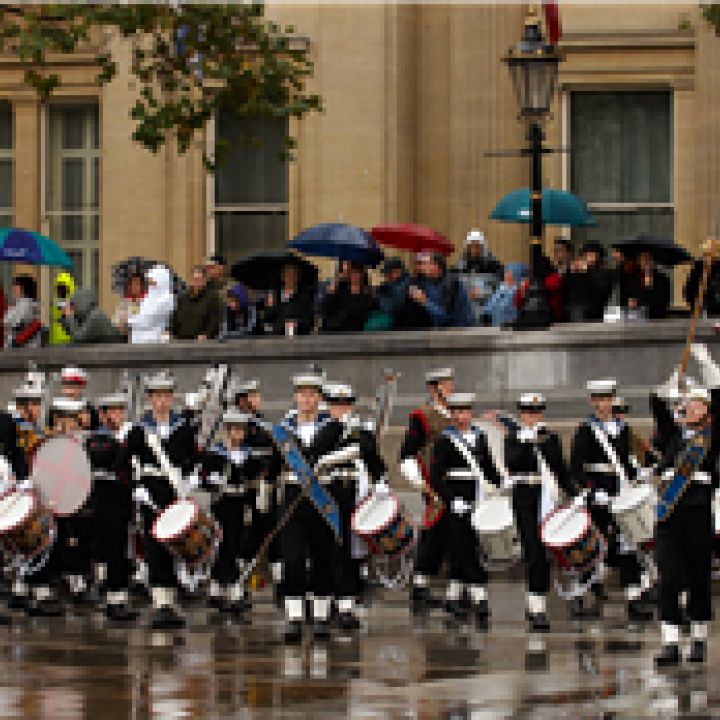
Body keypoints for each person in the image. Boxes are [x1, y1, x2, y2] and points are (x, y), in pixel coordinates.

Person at [652, 343, 720, 667]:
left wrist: (706, 365)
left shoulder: (711, 438)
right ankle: (669, 643)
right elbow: (658, 408)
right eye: (686, 402)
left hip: (696, 512)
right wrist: (668, 386)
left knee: (698, 577)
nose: (688, 406)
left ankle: (698, 638)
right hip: (668, 515)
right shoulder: (673, 435)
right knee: (668, 577)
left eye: (695, 403)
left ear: (705, 411)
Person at [569, 379, 653, 622]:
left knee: (628, 544)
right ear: (592, 401)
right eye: (599, 399)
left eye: (608, 399)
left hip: (620, 493)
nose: (604, 404)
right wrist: (590, 489)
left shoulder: (622, 429)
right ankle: (579, 594)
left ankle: (633, 598)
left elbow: (626, 461)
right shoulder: (586, 429)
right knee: (591, 548)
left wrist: (639, 474)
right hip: (599, 496)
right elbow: (576, 466)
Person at [123, 370, 196, 629]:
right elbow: (126, 463)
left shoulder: (184, 428)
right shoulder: (139, 430)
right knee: (154, 545)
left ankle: (171, 600)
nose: (162, 401)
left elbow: (190, 458)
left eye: (166, 396)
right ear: (150, 399)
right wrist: (137, 487)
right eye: (157, 396)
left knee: (173, 545)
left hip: (174, 491)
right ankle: (160, 602)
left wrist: (190, 478)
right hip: (150, 490)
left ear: (172, 398)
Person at [315, 382, 387, 630]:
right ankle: (329, 599)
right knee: (332, 546)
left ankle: (347, 601)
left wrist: (380, 481)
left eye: (346, 405)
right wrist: (338, 427)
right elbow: (317, 451)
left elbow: (373, 457)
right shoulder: (324, 428)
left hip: (355, 491)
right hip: (329, 492)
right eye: (337, 405)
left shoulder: (361, 430)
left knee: (351, 548)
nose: (342, 409)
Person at [428, 392, 502, 628]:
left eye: (465, 412)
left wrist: (502, 481)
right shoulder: (444, 440)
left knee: (466, 547)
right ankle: (480, 597)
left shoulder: (479, 438)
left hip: (477, 498)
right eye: (457, 412)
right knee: (465, 547)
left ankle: (452, 597)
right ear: (451, 414)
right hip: (456, 500)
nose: (461, 417)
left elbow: (488, 467)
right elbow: (435, 477)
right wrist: (451, 500)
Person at [503, 394, 575, 631]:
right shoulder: (513, 438)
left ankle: (549, 599)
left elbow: (560, 468)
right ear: (521, 414)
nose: (533, 417)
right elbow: (512, 463)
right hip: (525, 498)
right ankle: (536, 607)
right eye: (528, 412)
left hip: (548, 496)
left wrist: (575, 494)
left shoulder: (550, 437)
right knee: (533, 551)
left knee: (548, 552)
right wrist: (527, 442)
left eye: (536, 412)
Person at [275, 371, 335, 643]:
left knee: (323, 556)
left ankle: (321, 616)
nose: (307, 399)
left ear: (319, 398)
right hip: (293, 495)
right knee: (293, 558)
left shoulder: (333, 427)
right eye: (302, 394)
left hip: (322, 497)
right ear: (295, 397)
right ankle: (295, 616)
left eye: (312, 394)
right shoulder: (283, 429)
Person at [200, 410, 268, 621]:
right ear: (227, 431)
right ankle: (230, 588)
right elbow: (204, 479)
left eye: (241, 429)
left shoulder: (249, 454)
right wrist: (213, 479)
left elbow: (255, 478)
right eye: (234, 429)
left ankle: (218, 587)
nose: (238, 433)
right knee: (225, 544)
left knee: (237, 543)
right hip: (223, 502)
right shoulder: (215, 453)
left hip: (241, 503)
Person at [400, 367, 455, 614]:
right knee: (437, 528)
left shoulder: (457, 414)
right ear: (433, 389)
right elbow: (408, 452)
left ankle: (429, 583)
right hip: (433, 480)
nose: (450, 388)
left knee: (446, 531)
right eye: (445, 384)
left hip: (456, 481)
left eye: (451, 383)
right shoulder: (421, 416)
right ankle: (423, 583)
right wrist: (421, 483)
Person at [88, 393, 137, 622]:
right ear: (104, 415)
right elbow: (106, 460)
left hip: (123, 499)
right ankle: (112, 598)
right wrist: (122, 443)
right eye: (113, 411)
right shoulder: (98, 439)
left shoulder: (128, 436)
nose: (117, 416)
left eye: (120, 411)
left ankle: (118, 596)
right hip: (104, 500)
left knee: (122, 549)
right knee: (110, 549)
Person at [394, 252, 474, 330]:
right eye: (421, 264)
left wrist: (425, 301)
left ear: (438, 267)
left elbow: (446, 318)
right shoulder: (419, 282)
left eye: (426, 263)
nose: (422, 267)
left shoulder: (453, 285)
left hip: (457, 330)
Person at [454, 230, 503, 320]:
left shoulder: (493, 266)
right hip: (466, 312)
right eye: (471, 246)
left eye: (477, 246)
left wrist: (484, 293)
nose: (474, 250)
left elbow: (501, 290)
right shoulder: (459, 266)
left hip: (488, 311)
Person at [261, 262, 316, 336]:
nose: (290, 277)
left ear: (297, 277)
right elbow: (267, 319)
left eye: (293, 274)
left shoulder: (305, 296)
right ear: (282, 277)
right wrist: (269, 307)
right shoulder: (275, 295)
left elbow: (309, 319)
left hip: (298, 336)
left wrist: (296, 323)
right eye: (287, 274)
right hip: (278, 336)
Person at [320, 262, 375, 332]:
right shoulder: (340, 290)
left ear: (363, 275)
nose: (355, 276)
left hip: (355, 332)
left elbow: (364, 314)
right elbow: (325, 310)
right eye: (353, 273)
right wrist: (331, 291)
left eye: (358, 273)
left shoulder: (367, 295)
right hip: (335, 330)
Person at [127, 265, 175, 344]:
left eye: (153, 280)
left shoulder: (167, 299)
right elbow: (135, 313)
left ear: (161, 279)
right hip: (137, 341)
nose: (150, 283)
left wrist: (129, 321)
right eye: (149, 280)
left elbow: (147, 320)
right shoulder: (149, 296)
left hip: (154, 342)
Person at [170, 265, 221, 341]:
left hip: (201, 343)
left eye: (199, 279)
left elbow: (214, 322)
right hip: (181, 341)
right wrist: (169, 331)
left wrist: (206, 335)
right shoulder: (182, 298)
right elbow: (174, 319)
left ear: (204, 281)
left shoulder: (212, 298)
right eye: (194, 279)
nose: (196, 282)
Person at [564, 243, 612, 322]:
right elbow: (568, 288)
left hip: (593, 311)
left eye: (591, 254)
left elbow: (601, 292)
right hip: (573, 310)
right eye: (586, 254)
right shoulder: (577, 270)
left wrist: (587, 272)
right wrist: (571, 272)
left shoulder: (604, 272)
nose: (588, 257)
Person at [619, 251, 670, 320]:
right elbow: (624, 296)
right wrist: (629, 301)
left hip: (657, 316)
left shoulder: (661, 278)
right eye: (643, 259)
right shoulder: (630, 278)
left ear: (652, 261)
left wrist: (650, 288)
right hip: (635, 316)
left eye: (648, 259)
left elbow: (663, 299)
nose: (646, 262)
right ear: (638, 261)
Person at [480, 262, 528, 327]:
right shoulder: (502, 286)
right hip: (490, 316)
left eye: (508, 273)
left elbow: (507, 305)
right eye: (506, 272)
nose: (506, 275)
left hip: (505, 321)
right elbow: (492, 299)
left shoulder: (517, 288)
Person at [4, 275, 41, 349]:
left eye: (15, 286)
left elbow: (8, 321)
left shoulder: (25, 304)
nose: (13, 289)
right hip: (25, 344)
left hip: (19, 345)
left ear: (23, 288)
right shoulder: (32, 303)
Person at [373, 258, 409, 327]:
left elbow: (395, 306)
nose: (387, 275)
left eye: (390, 272)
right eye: (386, 273)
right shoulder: (386, 285)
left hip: (402, 321)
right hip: (389, 317)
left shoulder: (406, 283)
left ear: (399, 271)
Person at [112, 272, 145, 338]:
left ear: (142, 286)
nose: (135, 287)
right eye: (133, 284)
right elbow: (115, 322)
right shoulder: (124, 303)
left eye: (137, 284)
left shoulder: (147, 302)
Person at [49, 271, 74, 346]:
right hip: (55, 335)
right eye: (59, 287)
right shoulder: (57, 300)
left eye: (63, 287)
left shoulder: (70, 301)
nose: (61, 290)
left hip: (66, 335)